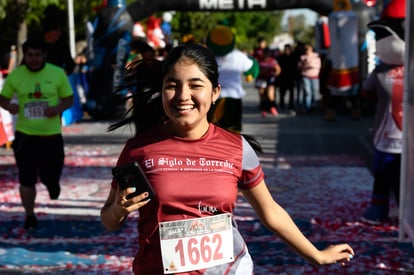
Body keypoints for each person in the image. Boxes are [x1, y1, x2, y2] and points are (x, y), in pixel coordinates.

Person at [100, 43, 354, 274]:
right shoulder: (139, 150)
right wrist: (118, 209)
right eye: (172, 85)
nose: (183, 95)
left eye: (195, 85)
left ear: (215, 93)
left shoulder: (237, 148)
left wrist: (316, 255)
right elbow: (109, 220)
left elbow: (270, 212)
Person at [0, 38, 74, 230]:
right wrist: (10, 106)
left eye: (38, 55)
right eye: (30, 55)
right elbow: (3, 98)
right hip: (26, 135)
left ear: (44, 55)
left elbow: (69, 99)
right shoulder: (16, 76)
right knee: (26, 178)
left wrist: (57, 108)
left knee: (51, 174)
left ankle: (52, 184)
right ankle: (29, 215)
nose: (34, 59)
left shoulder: (57, 73)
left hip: (51, 136)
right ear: (25, 56)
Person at [360, 0, 405, 225]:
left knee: (393, 175)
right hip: (388, 136)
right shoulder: (381, 71)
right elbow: (366, 91)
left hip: (395, 138)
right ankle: (383, 208)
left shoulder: (383, 71)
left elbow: (365, 92)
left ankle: (393, 209)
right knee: (387, 174)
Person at [205, 25, 259, 132]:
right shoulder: (237, 55)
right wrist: (250, 75)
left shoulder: (207, 57)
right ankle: (232, 147)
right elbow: (253, 66)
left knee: (213, 128)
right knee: (233, 129)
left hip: (214, 97)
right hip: (233, 97)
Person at [42, 6, 75, 75]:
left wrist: (61, 75)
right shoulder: (36, 46)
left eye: (60, 30)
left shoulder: (63, 47)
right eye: (56, 31)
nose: (59, 33)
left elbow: (70, 65)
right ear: (48, 31)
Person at [255, 47, 281, 117]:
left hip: (270, 78)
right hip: (261, 78)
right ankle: (264, 110)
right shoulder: (259, 60)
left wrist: (274, 75)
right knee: (262, 95)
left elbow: (278, 69)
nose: (266, 57)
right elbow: (255, 68)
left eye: (267, 55)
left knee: (270, 95)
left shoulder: (273, 61)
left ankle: (272, 107)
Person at [298, 44, 321, 113]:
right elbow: (299, 67)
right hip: (306, 76)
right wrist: (303, 64)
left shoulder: (316, 56)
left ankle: (314, 106)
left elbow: (318, 66)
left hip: (314, 76)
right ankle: (308, 107)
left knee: (315, 92)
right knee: (308, 92)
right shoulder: (302, 57)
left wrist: (309, 64)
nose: (307, 51)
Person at [277, 44, 297, 114]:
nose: (287, 51)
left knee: (291, 94)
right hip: (282, 78)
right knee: (282, 93)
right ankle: (281, 105)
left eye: (288, 49)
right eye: (286, 49)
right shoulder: (280, 58)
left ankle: (291, 106)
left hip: (291, 78)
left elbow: (296, 68)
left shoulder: (294, 58)